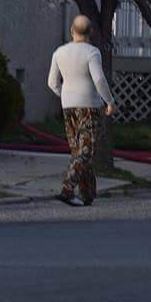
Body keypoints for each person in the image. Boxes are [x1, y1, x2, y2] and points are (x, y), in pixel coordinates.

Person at [47, 15, 116, 207]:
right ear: (91, 32)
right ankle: (67, 189)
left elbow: (52, 82)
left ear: (72, 31)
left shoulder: (59, 52)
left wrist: (64, 94)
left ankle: (88, 194)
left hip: (68, 106)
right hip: (89, 106)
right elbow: (99, 79)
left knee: (79, 151)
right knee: (85, 151)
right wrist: (109, 101)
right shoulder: (92, 52)